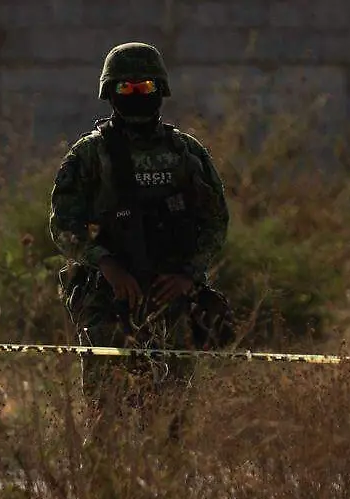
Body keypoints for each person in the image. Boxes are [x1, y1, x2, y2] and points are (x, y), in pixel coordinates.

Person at [48, 41, 236, 427]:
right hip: (110, 300)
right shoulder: (89, 155)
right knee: (106, 419)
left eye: (145, 87)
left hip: (171, 300)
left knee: (171, 422)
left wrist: (187, 275)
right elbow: (63, 225)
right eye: (126, 87)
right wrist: (106, 265)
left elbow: (215, 221)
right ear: (110, 92)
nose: (136, 94)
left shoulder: (186, 154)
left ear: (160, 89)